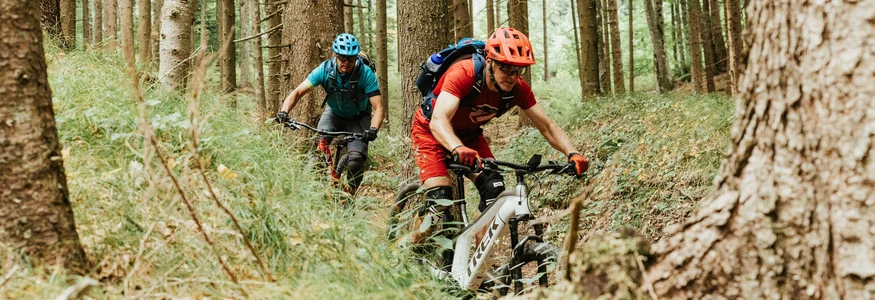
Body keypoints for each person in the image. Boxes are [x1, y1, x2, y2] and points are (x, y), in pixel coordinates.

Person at [411, 27, 589, 221]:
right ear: (490, 61)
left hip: (469, 136)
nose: (512, 77)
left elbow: (546, 126)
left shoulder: (518, 89)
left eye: (518, 70)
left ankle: (478, 248)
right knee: (439, 203)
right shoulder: (464, 73)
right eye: (505, 67)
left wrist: (572, 153)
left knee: (494, 190)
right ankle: (410, 246)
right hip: (430, 131)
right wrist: (457, 147)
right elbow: (438, 120)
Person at [276, 33, 383, 194]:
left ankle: (350, 194)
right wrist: (284, 111)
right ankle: (317, 192)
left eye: (351, 59)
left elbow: (379, 108)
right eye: (342, 58)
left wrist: (373, 129)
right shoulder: (325, 70)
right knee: (318, 148)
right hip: (334, 114)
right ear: (335, 55)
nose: (346, 63)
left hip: (359, 117)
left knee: (355, 161)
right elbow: (297, 92)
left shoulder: (365, 73)